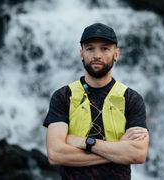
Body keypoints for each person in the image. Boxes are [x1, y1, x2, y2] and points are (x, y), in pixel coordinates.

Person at [43, 22, 149, 180]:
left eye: (105, 48)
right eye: (90, 48)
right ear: (81, 53)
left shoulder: (131, 98)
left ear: (116, 54)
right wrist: (118, 151)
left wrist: (85, 143)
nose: (97, 55)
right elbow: (55, 154)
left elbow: (138, 154)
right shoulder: (63, 96)